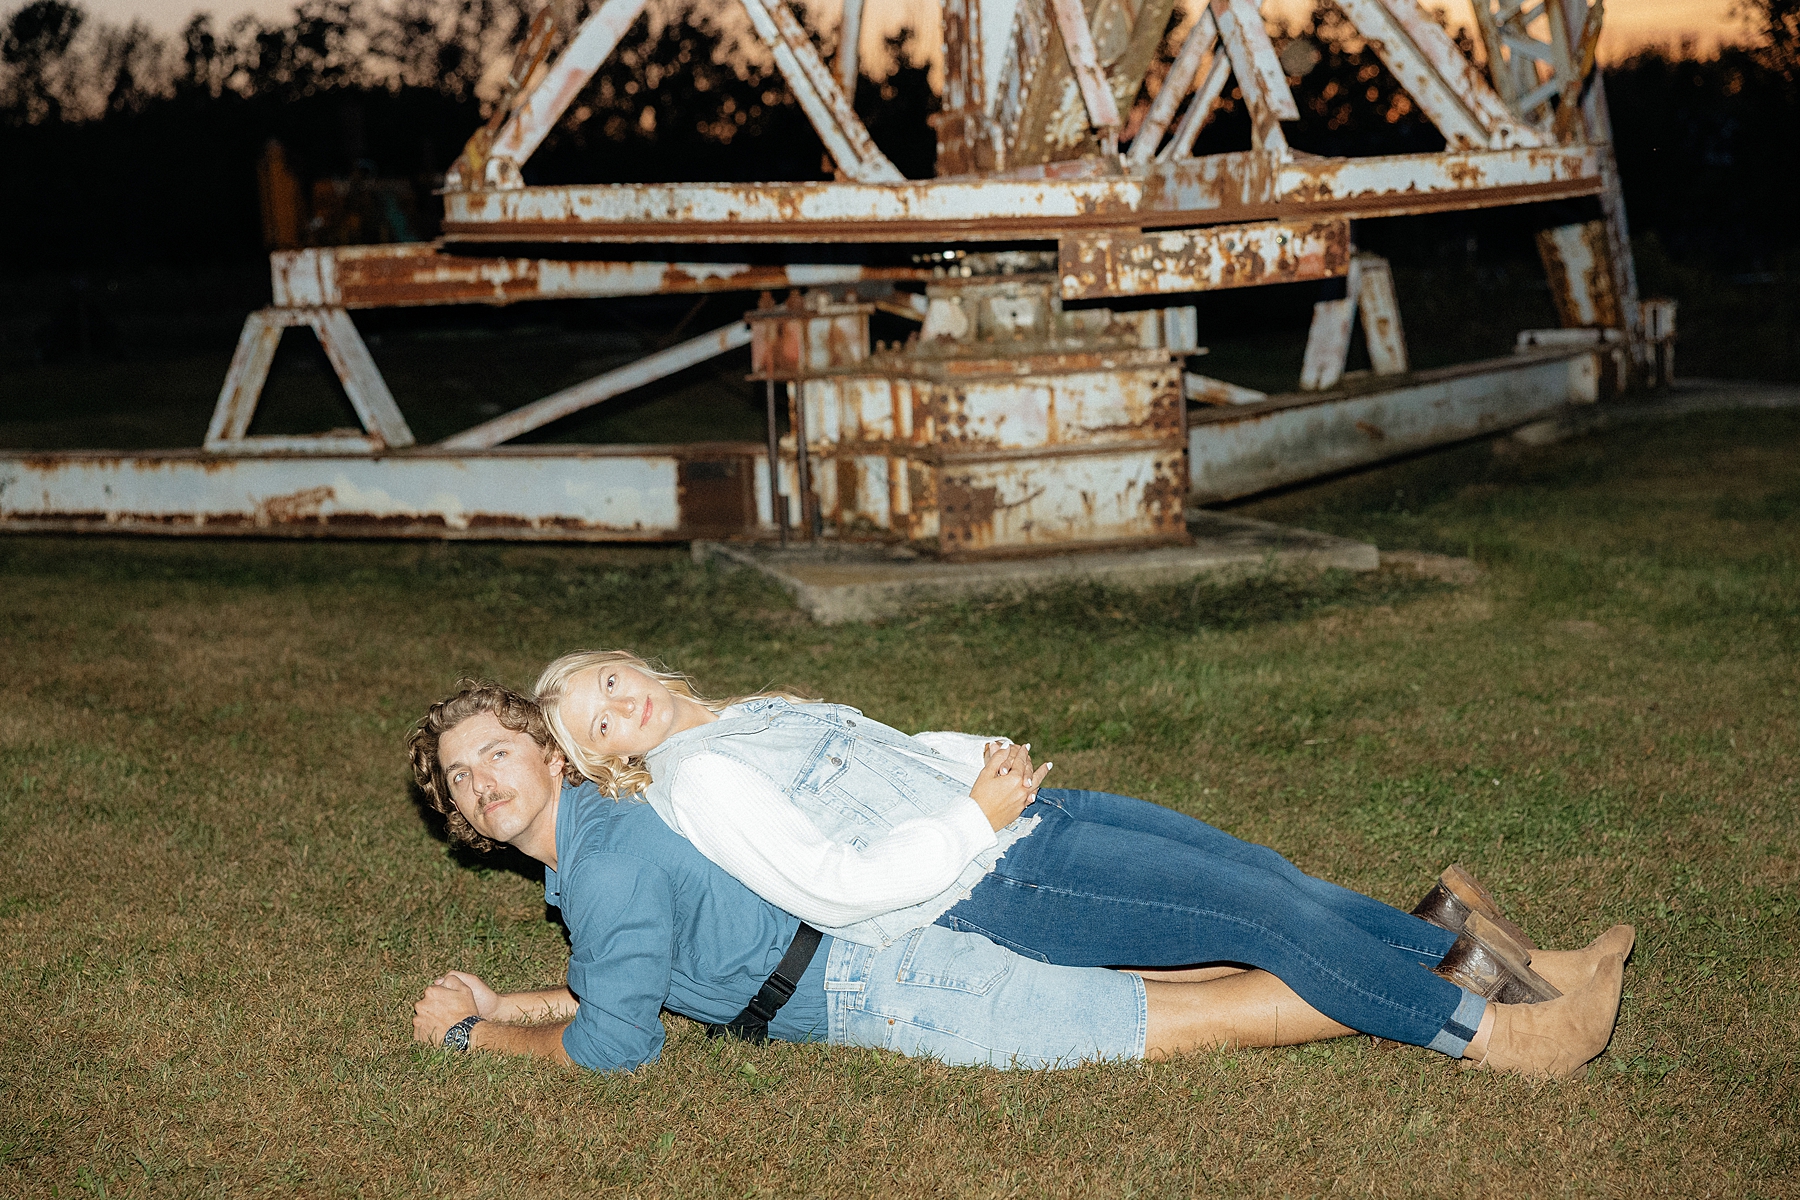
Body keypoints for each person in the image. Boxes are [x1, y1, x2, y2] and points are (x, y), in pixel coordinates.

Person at [406, 682, 1625, 1076]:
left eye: (496, 755)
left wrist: (481, 1028)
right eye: (462, 780)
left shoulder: (646, 817)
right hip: (937, 921)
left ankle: (1494, 982)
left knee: (1250, 908)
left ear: (548, 763)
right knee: (1231, 949)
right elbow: (622, 998)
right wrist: (495, 1021)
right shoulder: (645, 825)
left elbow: (620, 1003)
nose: (482, 785)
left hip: (949, 892)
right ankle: (1494, 1019)